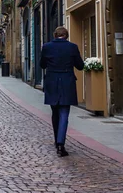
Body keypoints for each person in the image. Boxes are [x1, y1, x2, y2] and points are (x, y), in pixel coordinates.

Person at [40, 26, 84, 157]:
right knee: (64, 112)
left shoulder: (47, 47)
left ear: (55, 35)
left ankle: (56, 140)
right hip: (67, 81)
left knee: (55, 112)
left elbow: (42, 65)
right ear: (66, 35)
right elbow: (80, 66)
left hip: (52, 81)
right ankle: (60, 144)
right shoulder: (72, 47)